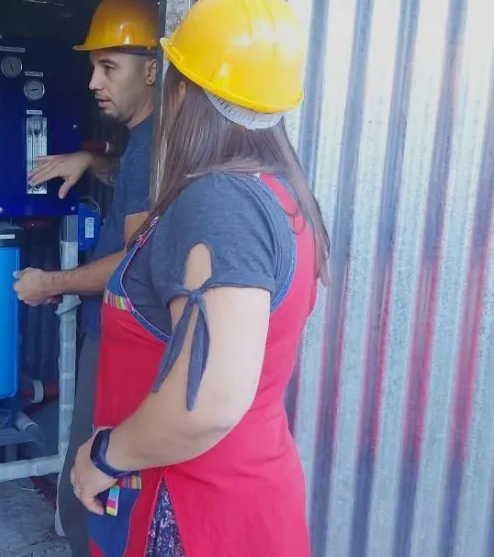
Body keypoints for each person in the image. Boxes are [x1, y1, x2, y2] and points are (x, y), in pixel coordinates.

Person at [68, 0, 330, 555]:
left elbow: (205, 404)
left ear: (182, 89)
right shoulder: (276, 191)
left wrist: (103, 457)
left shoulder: (219, 202)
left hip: (194, 508)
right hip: (237, 495)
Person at [11, 0, 158, 554]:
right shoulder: (143, 140)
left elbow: (137, 263)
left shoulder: (153, 146)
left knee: (90, 472)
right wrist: (88, 161)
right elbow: (130, 178)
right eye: (92, 67)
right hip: (115, 330)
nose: (95, 82)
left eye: (109, 67)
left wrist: (50, 283)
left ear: (152, 68)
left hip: (125, 337)